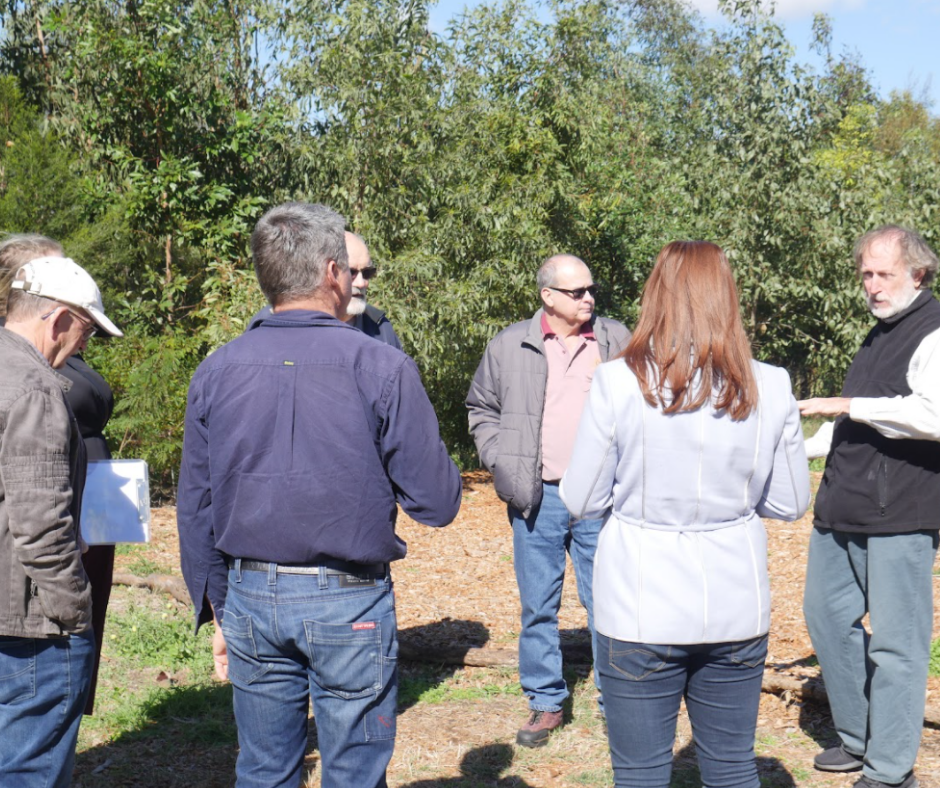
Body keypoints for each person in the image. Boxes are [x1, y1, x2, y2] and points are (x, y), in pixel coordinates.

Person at [177, 202, 461, 788]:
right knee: (354, 775)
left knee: (262, 771)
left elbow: (196, 505)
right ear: (334, 272)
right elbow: (437, 501)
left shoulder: (215, 370)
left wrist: (221, 609)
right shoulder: (382, 366)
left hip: (250, 593)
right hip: (346, 600)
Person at [560, 241, 810, 788]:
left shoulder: (617, 381)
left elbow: (580, 499)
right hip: (735, 599)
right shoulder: (770, 384)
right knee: (731, 766)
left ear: (657, 295)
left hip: (639, 602)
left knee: (642, 773)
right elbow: (791, 501)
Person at [466, 254, 630, 746]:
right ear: (548, 297)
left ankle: (616, 700)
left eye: (590, 290)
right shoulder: (510, 343)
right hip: (538, 497)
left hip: (603, 496)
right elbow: (481, 407)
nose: (588, 299)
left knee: (610, 604)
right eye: (577, 291)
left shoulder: (616, 339)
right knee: (538, 606)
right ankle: (544, 701)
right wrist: (502, 460)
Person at [799, 225, 940, 788]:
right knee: (826, 618)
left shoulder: (933, 332)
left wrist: (849, 403)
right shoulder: (880, 333)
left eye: (884, 274)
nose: (873, 286)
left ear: (918, 275)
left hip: (901, 513)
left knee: (898, 644)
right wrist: (791, 444)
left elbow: (933, 415)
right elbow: (854, 425)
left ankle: (889, 769)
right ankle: (858, 740)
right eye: (866, 274)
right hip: (842, 507)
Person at [0, 255, 122, 787]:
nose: (84, 346)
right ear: (59, 319)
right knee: (29, 769)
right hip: (30, 627)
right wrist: (76, 612)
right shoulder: (35, 387)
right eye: (87, 330)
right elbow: (41, 525)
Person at [248, 230, 402, 349]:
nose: (362, 283)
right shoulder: (270, 321)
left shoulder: (379, 327)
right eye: (351, 272)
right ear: (328, 271)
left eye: (367, 273)